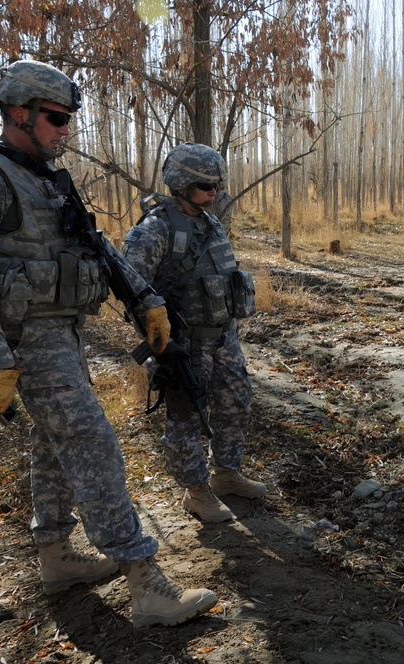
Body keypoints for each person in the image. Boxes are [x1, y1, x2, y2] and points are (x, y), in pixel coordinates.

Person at [0, 59, 217, 628]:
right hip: (27, 341)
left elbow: (97, 245)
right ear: (19, 113)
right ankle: (146, 585)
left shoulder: (45, 176)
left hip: (62, 332)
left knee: (53, 444)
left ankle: (56, 555)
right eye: (57, 119)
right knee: (91, 440)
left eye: (69, 119)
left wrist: (145, 299)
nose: (66, 130)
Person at [122, 142, 265, 523]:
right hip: (184, 346)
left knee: (236, 404)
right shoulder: (155, 229)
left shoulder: (209, 220)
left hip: (223, 336)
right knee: (185, 417)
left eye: (217, 186)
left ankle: (226, 475)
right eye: (205, 186)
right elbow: (130, 289)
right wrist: (161, 344)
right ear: (182, 184)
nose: (213, 193)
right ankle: (196, 490)